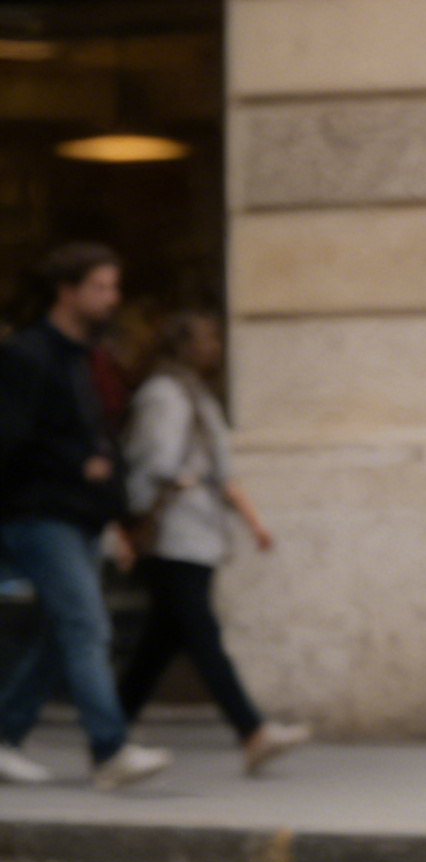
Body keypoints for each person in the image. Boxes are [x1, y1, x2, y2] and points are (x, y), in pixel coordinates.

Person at [0, 244, 170, 790]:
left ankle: (5, 734)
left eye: (114, 287)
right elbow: (11, 439)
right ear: (66, 290)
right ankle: (109, 748)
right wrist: (81, 463)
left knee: (62, 632)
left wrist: (114, 501)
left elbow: (100, 438)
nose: (111, 299)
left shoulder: (85, 357)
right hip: (39, 513)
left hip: (81, 514)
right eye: (100, 287)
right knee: (86, 625)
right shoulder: (28, 355)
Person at [118, 312, 310, 773]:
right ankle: (252, 731)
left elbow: (223, 471)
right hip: (172, 534)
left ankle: (108, 728)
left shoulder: (196, 394)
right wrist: (130, 523)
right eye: (205, 337)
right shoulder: (164, 394)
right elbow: (151, 463)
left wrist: (253, 522)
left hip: (198, 531)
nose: (214, 346)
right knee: (201, 635)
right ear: (180, 343)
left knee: (160, 641)